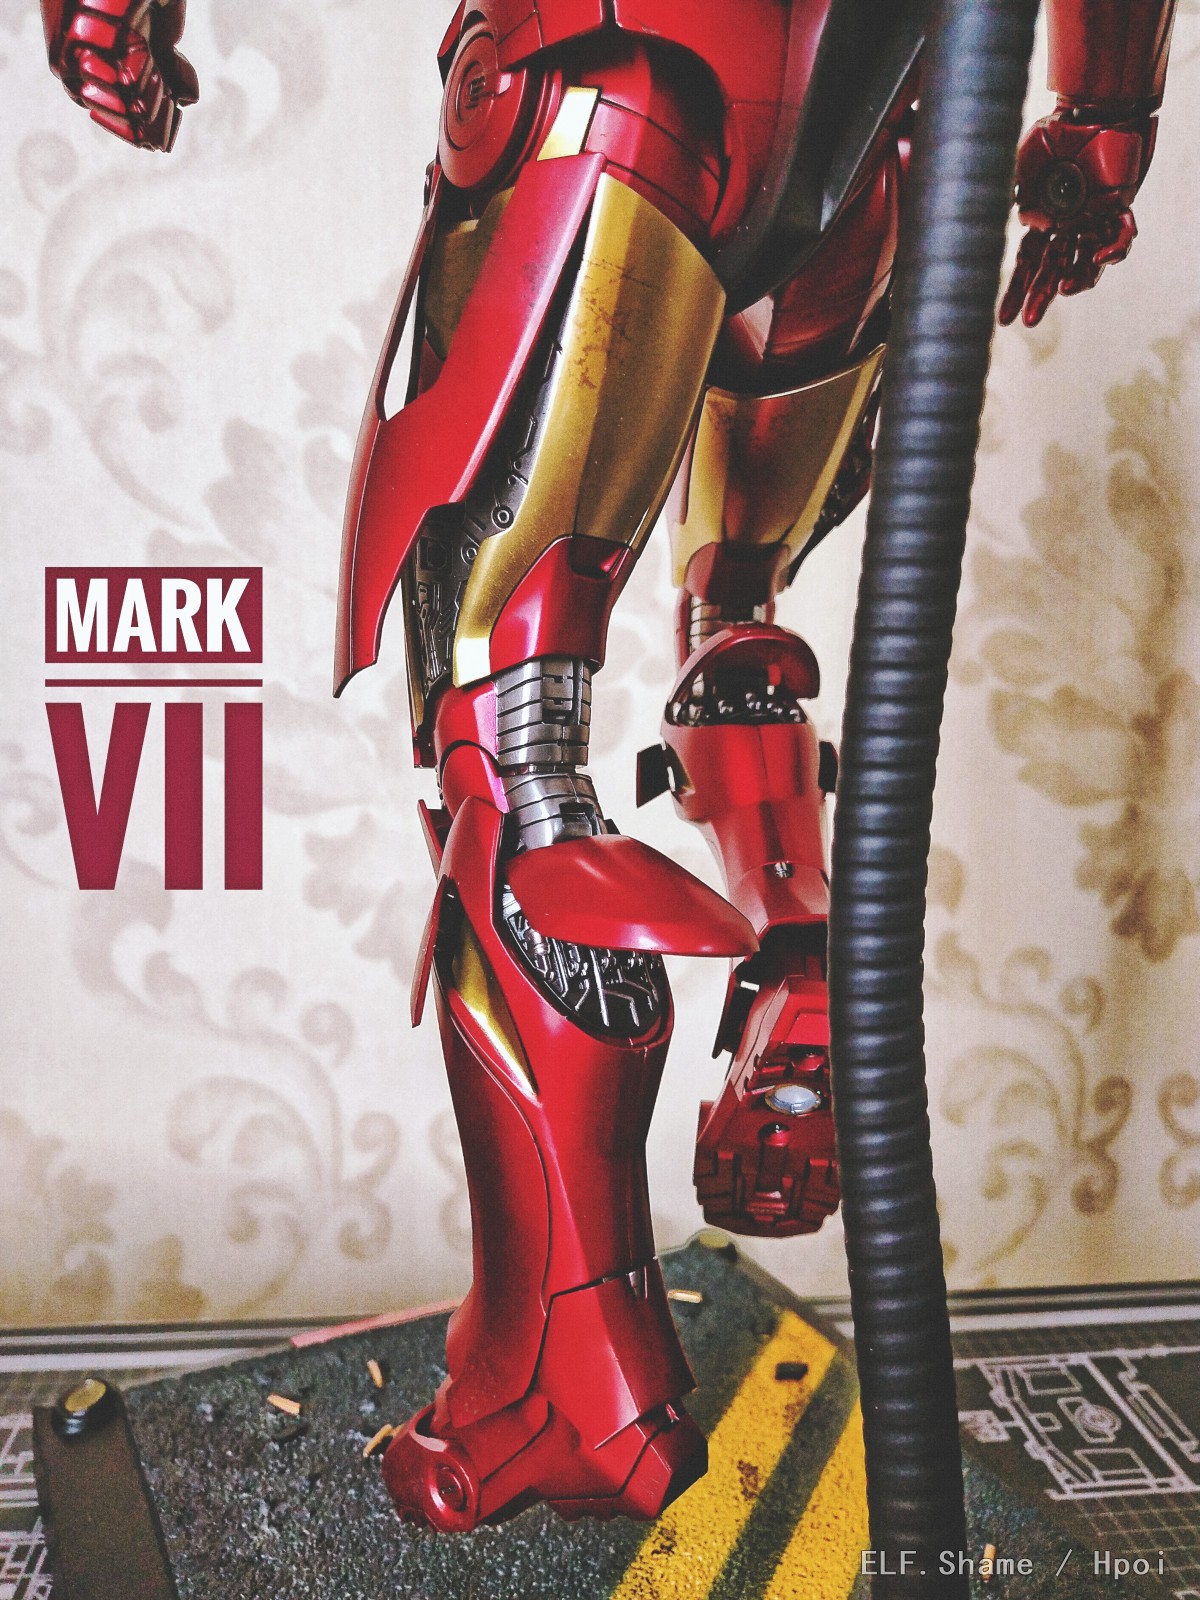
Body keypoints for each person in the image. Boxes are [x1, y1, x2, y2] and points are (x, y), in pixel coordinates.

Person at [42, 0, 1177, 1531]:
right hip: (875, 149)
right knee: (736, 609)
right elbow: (1089, 105)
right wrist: (1108, 114)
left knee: (506, 733)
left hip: (622, 71)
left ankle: (559, 1382)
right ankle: (791, 949)